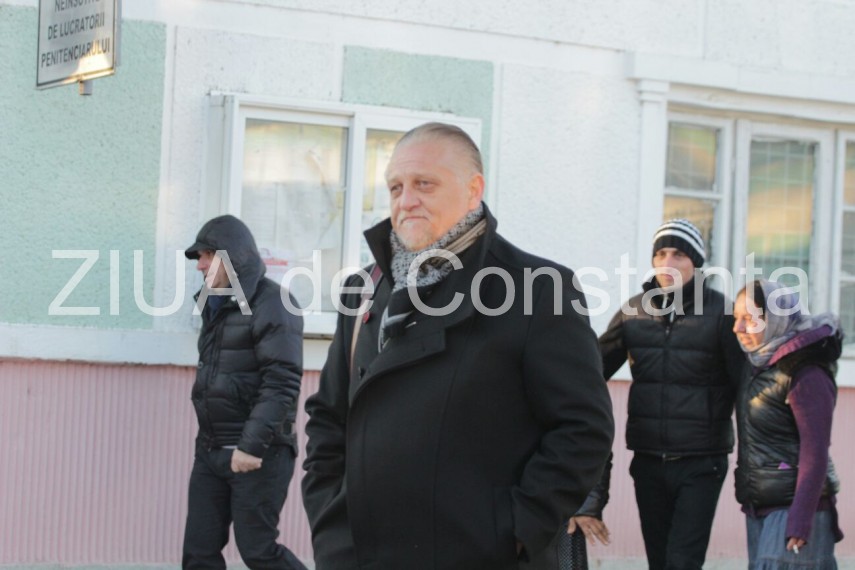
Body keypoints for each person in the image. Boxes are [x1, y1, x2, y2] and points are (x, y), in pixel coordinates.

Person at [301, 122, 614, 569]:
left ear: (473, 190)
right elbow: (329, 420)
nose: (406, 200)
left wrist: (511, 534)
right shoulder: (363, 290)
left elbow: (583, 429)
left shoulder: (538, 288)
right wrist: (330, 529)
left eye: (424, 184)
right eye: (395, 187)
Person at [596, 219, 744, 570]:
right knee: (660, 561)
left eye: (678, 254)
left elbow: (745, 388)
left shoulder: (722, 313)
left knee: (682, 561)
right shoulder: (634, 312)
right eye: (660, 254)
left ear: (696, 262)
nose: (667, 263)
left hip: (702, 461)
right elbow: (589, 372)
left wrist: (751, 464)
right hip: (648, 460)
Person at [182, 214, 307, 570]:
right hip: (211, 450)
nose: (200, 265)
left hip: (258, 452)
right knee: (199, 554)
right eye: (199, 257)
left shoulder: (274, 302)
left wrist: (250, 446)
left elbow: (282, 381)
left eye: (207, 255)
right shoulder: (214, 304)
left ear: (232, 256)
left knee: (258, 551)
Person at [732, 279, 844, 569]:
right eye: (736, 318)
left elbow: (815, 450)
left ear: (776, 320)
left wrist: (801, 519)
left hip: (796, 511)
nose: (738, 328)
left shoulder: (805, 372)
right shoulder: (758, 365)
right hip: (761, 508)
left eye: (749, 319)